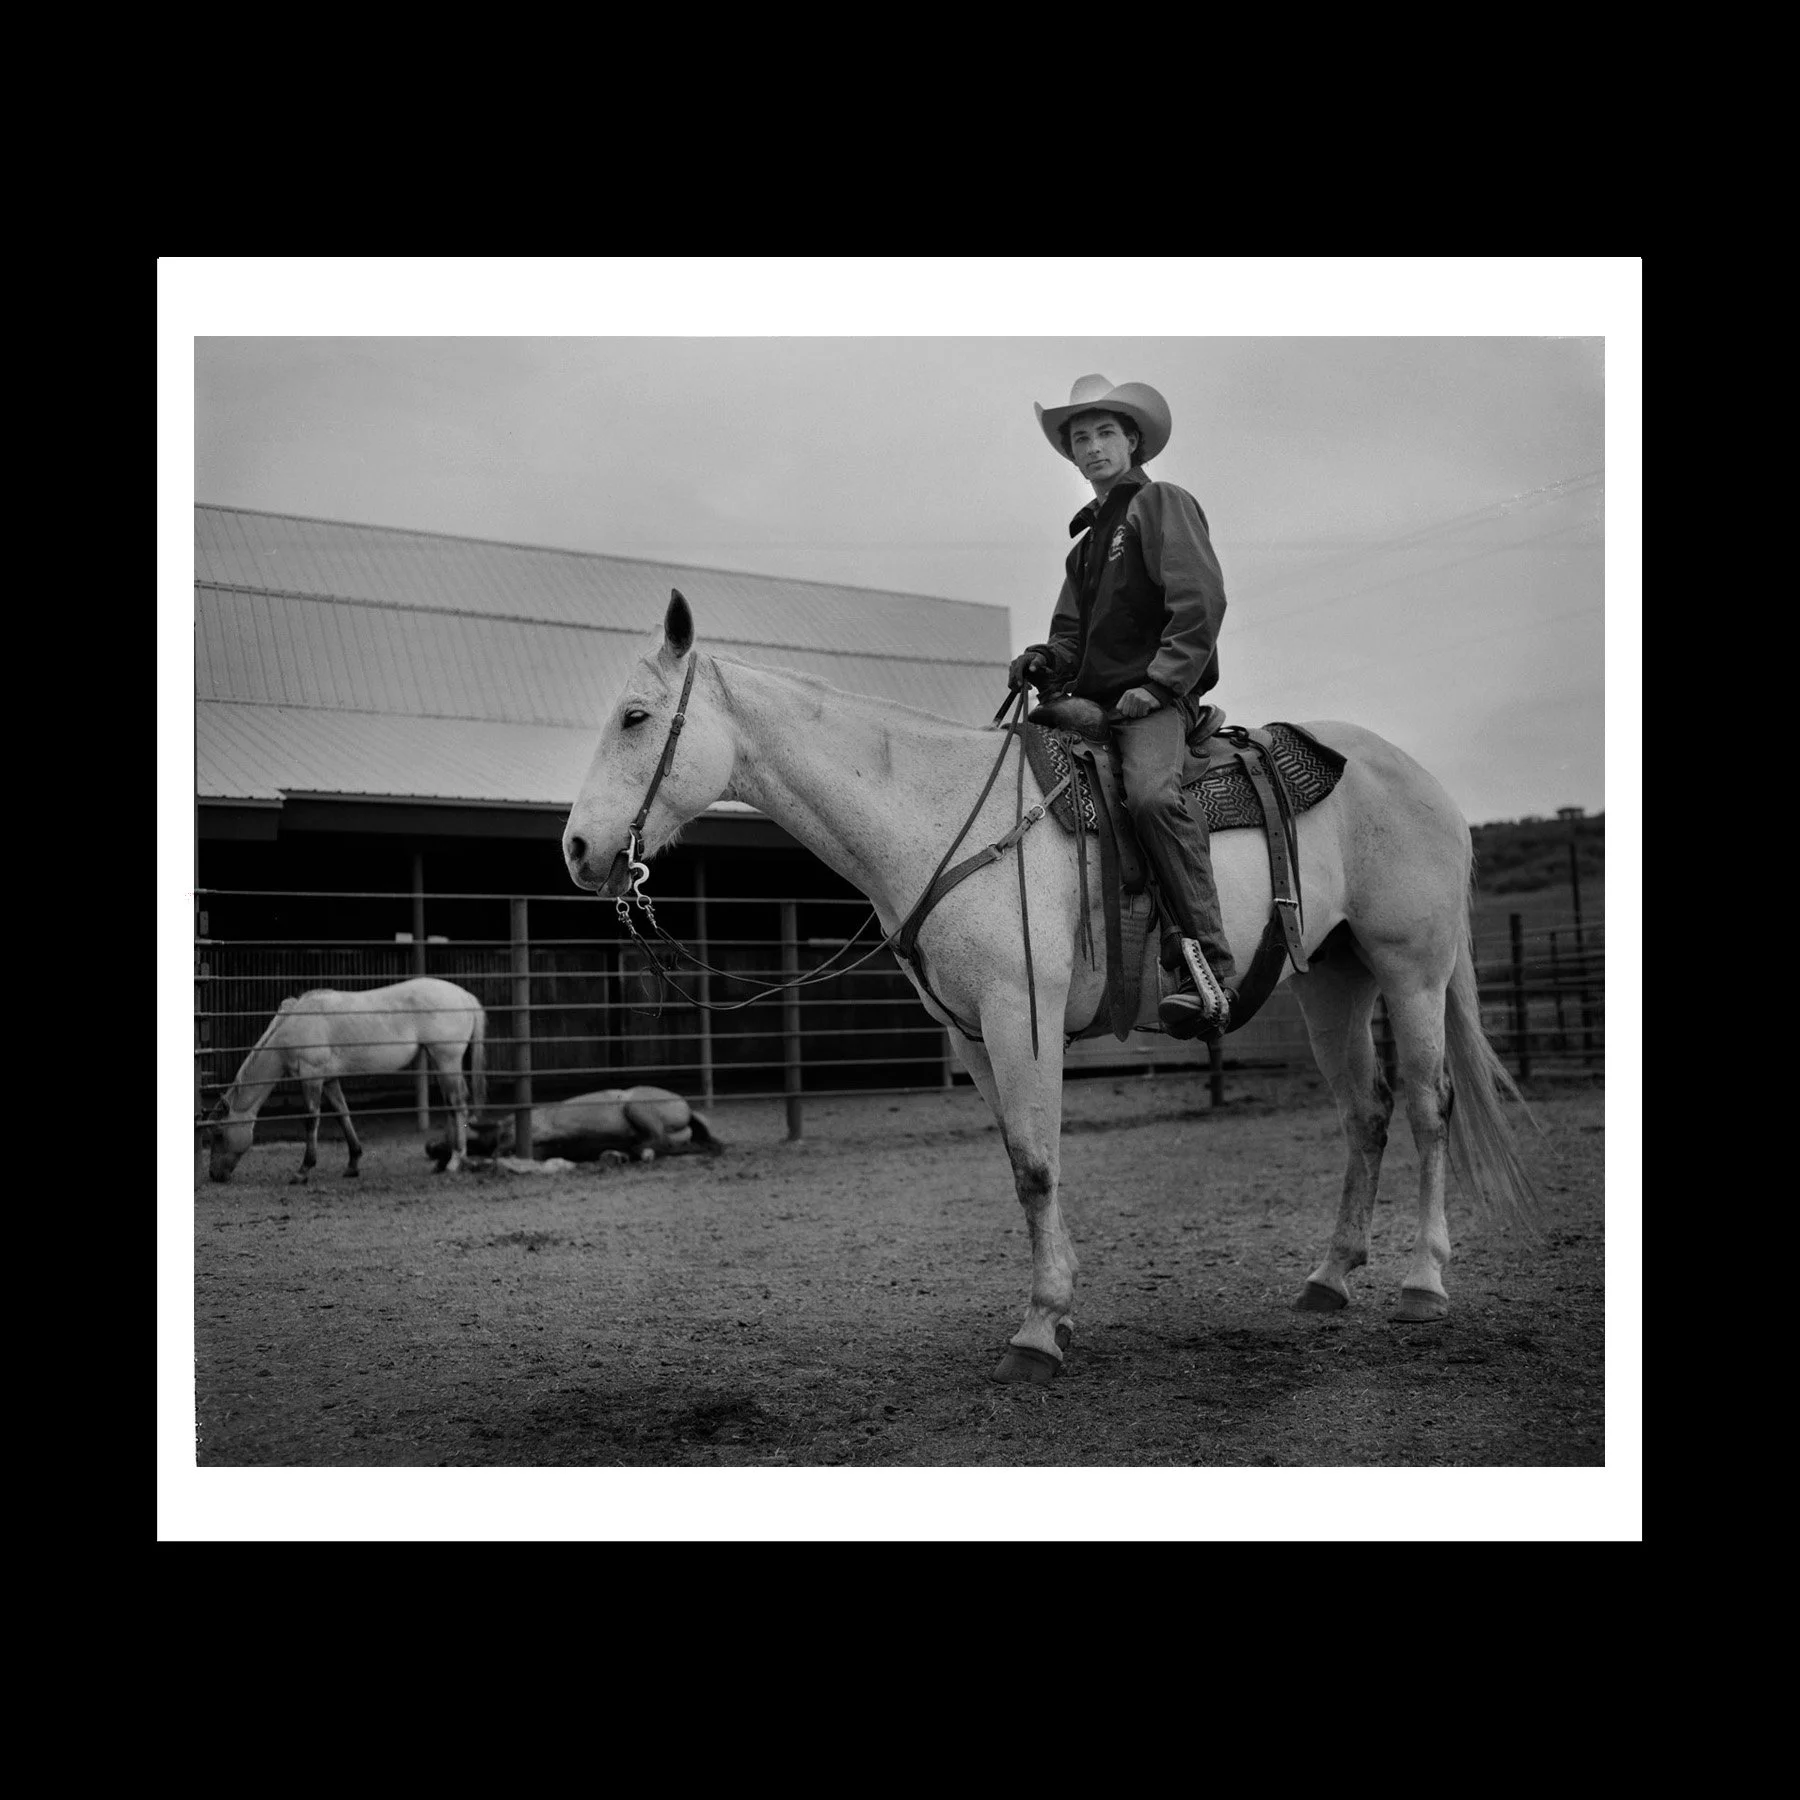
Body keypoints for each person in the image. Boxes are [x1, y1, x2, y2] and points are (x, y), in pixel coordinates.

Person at [1009, 374, 1236, 1035]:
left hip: (1155, 700)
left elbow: (1199, 600)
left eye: (1105, 432)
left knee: (1151, 797)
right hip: (1097, 704)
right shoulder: (1084, 548)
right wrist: (1048, 660)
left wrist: (1162, 684)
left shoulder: (1161, 502)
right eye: (1080, 438)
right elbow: (1071, 635)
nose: (1092, 447)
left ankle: (1207, 965)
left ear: (1132, 441)